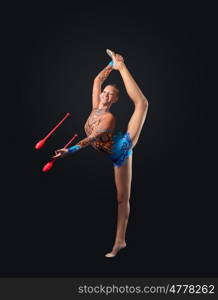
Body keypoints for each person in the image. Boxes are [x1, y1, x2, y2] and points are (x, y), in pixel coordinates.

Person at [53, 50, 149, 258]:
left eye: (110, 94)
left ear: (115, 99)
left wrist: (69, 150)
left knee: (142, 104)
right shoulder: (95, 107)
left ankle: (119, 242)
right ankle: (121, 241)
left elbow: (90, 139)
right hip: (111, 152)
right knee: (121, 197)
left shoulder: (109, 118)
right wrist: (111, 63)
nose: (105, 94)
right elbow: (98, 79)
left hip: (121, 150)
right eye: (104, 92)